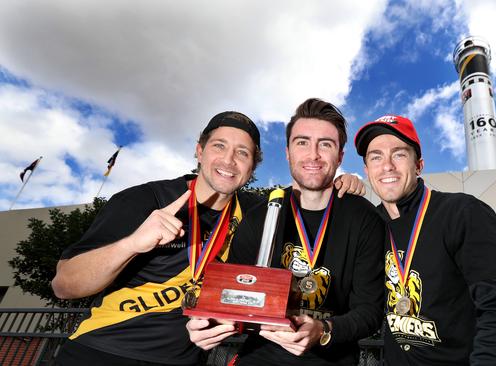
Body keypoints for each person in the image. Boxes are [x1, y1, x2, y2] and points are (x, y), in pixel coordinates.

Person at [51, 111, 365, 366]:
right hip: (103, 352)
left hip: (188, 359)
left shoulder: (259, 212)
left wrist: (341, 184)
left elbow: (310, 200)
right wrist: (131, 244)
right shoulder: (146, 198)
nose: (229, 161)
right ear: (200, 151)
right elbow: (64, 285)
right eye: (219, 146)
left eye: (242, 153)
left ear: (253, 166)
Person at [187, 98, 385, 366]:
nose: (313, 155)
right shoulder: (260, 215)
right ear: (288, 152)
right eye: (302, 142)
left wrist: (325, 329)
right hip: (260, 357)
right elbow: (234, 296)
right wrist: (208, 322)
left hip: (332, 359)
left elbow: (370, 310)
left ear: (339, 156)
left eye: (325, 144)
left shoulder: (365, 218)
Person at [354, 115, 496, 365]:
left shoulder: (462, 212)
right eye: (376, 157)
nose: (387, 166)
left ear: (419, 165)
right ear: (367, 171)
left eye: (399, 154)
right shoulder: (370, 227)